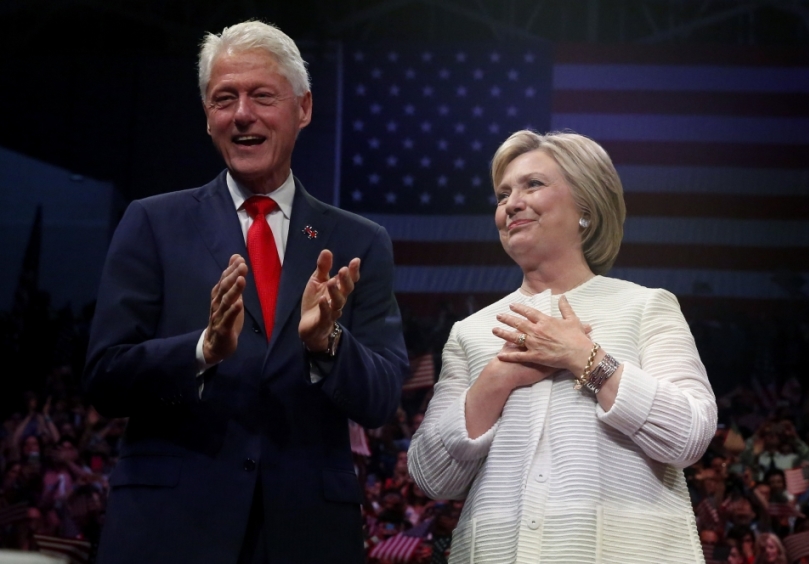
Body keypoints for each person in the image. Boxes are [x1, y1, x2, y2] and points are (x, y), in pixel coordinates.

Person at [83, 20, 408, 564]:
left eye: (261, 96)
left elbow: (380, 399)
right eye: (223, 99)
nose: (241, 114)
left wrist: (327, 346)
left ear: (302, 109)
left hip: (305, 536)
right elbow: (104, 379)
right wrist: (201, 350)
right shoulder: (152, 223)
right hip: (168, 533)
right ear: (209, 117)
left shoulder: (358, 242)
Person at [407, 130, 717, 563]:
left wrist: (586, 360)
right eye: (502, 195)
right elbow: (431, 476)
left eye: (533, 184)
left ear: (586, 206)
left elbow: (690, 435)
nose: (511, 204)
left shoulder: (645, 307)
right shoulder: (471, 332)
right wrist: (497, 378)